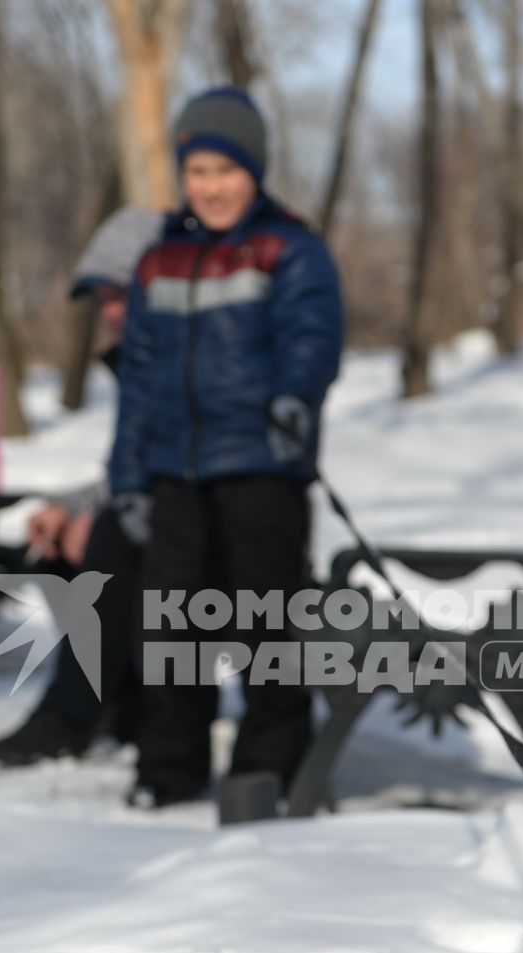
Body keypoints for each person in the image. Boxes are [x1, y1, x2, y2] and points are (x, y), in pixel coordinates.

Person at [110, 88, 345, 809]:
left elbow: (311, 337)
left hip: (261, 466)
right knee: (171, 625)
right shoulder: (159, 262)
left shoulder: (288, 248)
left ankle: (268, 761)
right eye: (198, 171)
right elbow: (139, 378)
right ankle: (169, 765)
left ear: (256, 171)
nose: (212, 187)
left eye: (227, 170)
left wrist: (293, 397)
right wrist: (127, 475)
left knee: (266, 620)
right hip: (175, 471)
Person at [0, 207, 163, 768]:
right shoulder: (141, 363)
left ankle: (72, 715)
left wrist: (110, 517)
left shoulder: (184, 363)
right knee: (57, 545)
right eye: (102, 298)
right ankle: (120, 702)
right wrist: (69, 507)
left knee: (106, 545)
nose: (108, 313)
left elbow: (181, 475)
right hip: (159, 517)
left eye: (121, 295)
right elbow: (130, 472)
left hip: (211, 533)